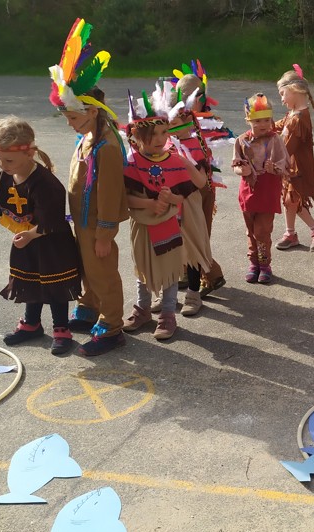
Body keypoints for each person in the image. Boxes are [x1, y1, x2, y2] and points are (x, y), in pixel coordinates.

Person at [0, 116, 82, 356]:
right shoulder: (6, 175)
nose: (2, 165)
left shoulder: (45, 183)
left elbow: (52, 220)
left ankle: (61, 329)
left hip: (50, 242)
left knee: (54, 284)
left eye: (8, 160)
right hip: (25, 240)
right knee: (28, 281)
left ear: (30, 153)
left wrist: (31, 235)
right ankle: (31, 324)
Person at [48, 18, 129, 356]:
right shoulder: (87, 138)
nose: (70, 123)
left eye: (73, 117)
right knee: (87, 268)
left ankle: (112, 327)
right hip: (82, 222)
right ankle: (89, 307)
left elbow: (109, 194)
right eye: (67, 117)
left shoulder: (106, 147)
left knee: (103, 272)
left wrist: (105, 234)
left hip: (97, 224)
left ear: (92, 111)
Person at [121, 85, 207, 340]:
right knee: (142, 268)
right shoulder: (132, 162)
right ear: (137, 136)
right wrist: (149, 204)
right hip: (142, 226)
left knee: (170, 270)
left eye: (163, 132)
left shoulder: (174, 160)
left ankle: (168, 314)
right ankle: (142, 309)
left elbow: (184, 195)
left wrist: (170, 198)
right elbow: (124, 198)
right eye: (153, 134)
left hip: (170, 225)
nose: (160, 139)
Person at [172, 62, 228, 300]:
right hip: (188, 186)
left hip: (202, 186)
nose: (184, 103)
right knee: (184, 232)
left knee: (198, 234)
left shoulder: (205, 121)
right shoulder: (182, 119)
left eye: (189, 98)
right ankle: (187, 270)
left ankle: (212, 275)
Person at [167, 78, 217, 317]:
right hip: (170, 202)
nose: (170, 128)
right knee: (172, 248)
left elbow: (200, 180)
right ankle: (166, 295)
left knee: (195, 246)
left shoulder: (194, 144)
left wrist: (181, 161)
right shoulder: (168, 143)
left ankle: (194, 294)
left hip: (191, 201)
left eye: (174, 124)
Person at [274, 64, 314, 252]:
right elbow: (280, 126)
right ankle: (290, 234)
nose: (281, 99)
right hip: (290, 166)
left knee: (293, 199)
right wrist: (263, 126)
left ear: (294, 90)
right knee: (288, 199)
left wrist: (272, 158)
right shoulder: (294, 113)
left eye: (282, 94)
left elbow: (288, 147)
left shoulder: (299, 118)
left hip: (297, 167)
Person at [232, 93, 288, 283]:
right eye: (257, 121)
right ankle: (253, 263)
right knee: (250, 230)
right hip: (248, 190)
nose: (263, 124)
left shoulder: (275, 139)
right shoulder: (241, 140)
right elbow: (236, 164)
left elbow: (284, 164)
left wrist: (274, 168)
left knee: (262, 230)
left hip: (267, 190)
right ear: (248, 120)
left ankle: (265, 264)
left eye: (266, 119)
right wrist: (242, 170)